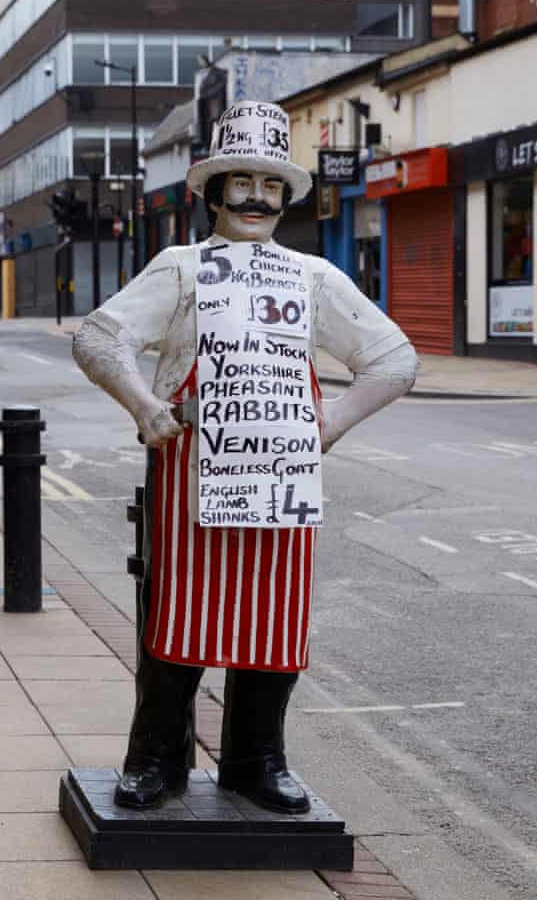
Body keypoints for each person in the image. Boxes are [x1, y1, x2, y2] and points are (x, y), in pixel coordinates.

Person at [72, 101, 418, 813]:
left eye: (270, 184)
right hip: (189, 470)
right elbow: (99, 336)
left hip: (282, 480)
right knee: (176, 615)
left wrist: (329, 423)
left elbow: (393, 359)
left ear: (286, 197)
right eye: (242, 182)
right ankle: (156, 760)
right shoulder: (180, 269)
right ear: (213, 191)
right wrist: (144, 405)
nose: (256, 198)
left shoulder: (313, 277)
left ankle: (256, 761)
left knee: (274, 620)